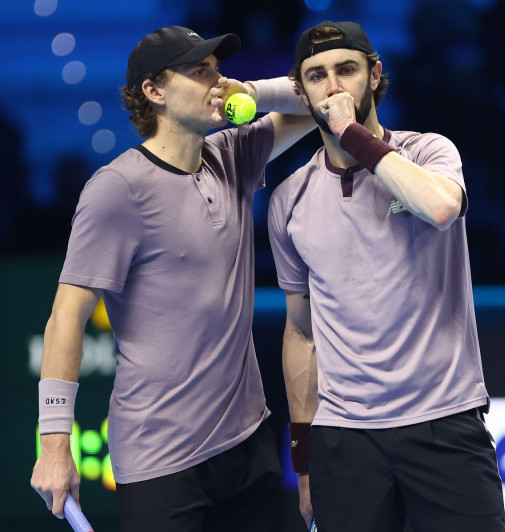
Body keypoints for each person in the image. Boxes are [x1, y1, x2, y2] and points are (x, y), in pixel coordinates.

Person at [29, 25, 315, 531]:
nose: (217, 83)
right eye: (199, 72)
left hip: (250, 441)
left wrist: (251, 92)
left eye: (218, 70)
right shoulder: (116, 189)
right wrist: (55, 446)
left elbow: (320, 94)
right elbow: (65, 319)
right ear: (154, 92)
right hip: (162, 461)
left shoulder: (233, 154)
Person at [268, 20, 505, 532]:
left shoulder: (429, 152)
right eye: (316, 76)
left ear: (375, 76)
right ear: (302, 92)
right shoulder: (288, 198)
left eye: (347, 70)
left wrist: (351, 134)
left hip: (445, 421)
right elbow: (301, 331)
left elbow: (441, 208)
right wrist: (304, 460)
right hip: (345, 437)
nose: (333, 86)